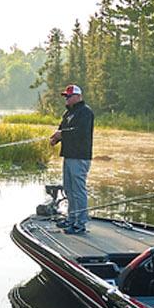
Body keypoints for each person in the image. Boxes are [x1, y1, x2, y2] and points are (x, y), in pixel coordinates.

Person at [49, 84, 93, 233]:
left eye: (69, 96)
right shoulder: (68, 114)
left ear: (78, 97)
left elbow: (80, 132)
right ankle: (71, 219)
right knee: (68, 189)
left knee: (78, 190)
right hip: (68, 156)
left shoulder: (85, 112)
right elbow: (62, 129)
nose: (66, 99)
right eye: (65, 96)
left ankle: (80, 223)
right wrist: (56, 138)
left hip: (80, 157)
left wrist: (62, 134)